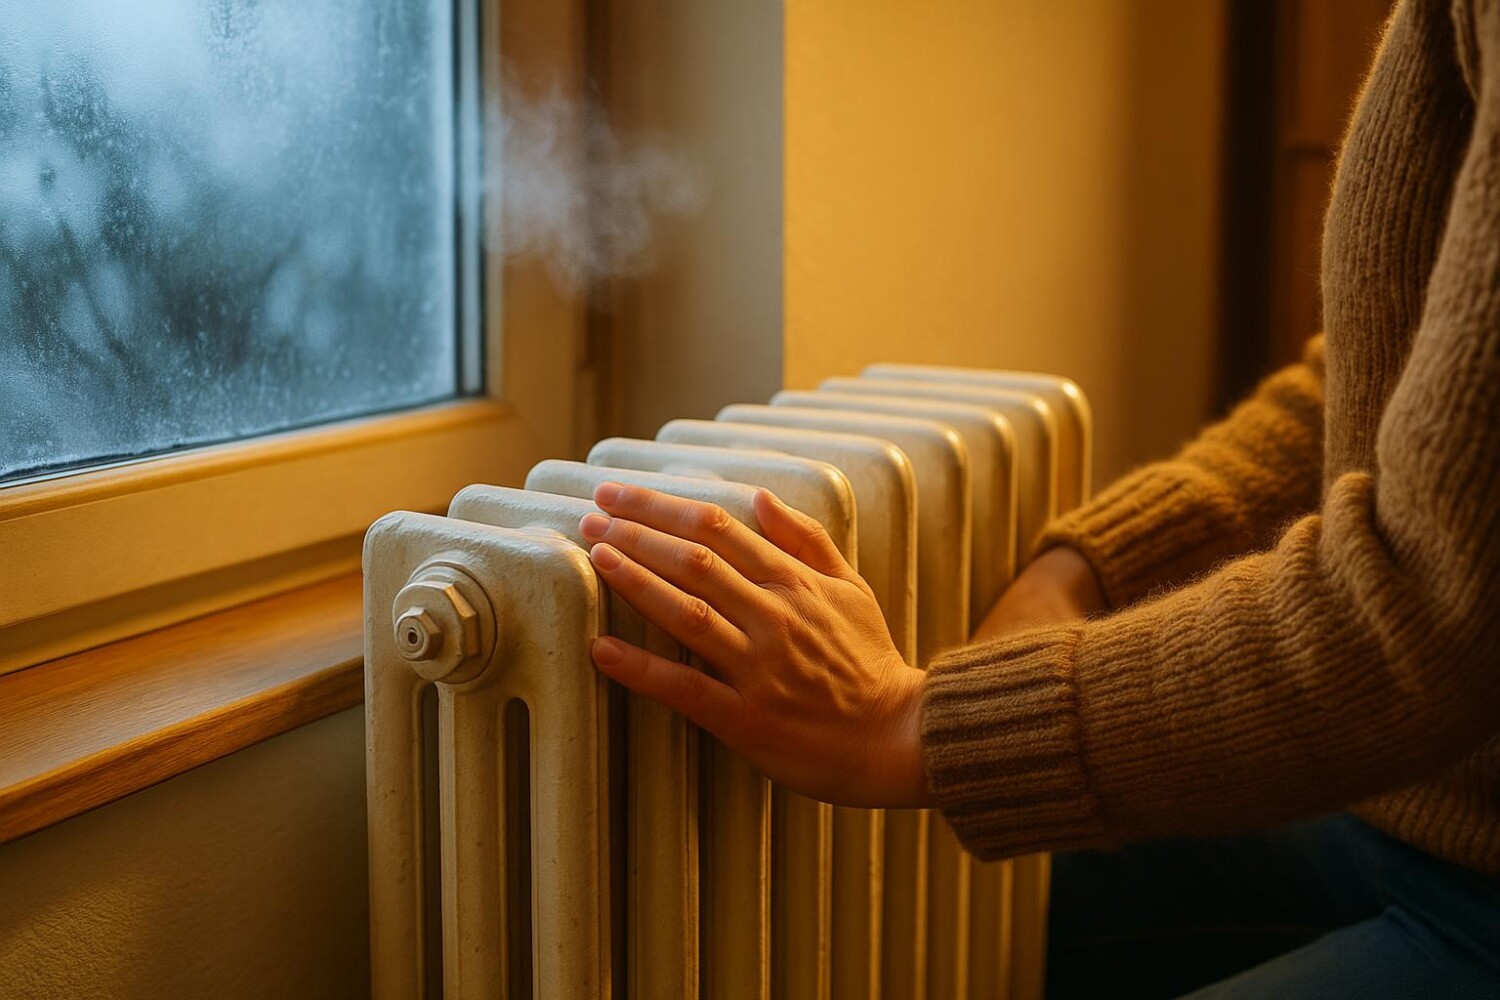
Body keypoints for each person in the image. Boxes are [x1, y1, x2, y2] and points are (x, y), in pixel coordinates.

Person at [574, 0, 1500, 994]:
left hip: (1472, 878)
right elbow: (1373, 384)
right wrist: (1090, 567)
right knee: (1035, 910)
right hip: (1414, 808)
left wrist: (911, 725)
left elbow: (1437, 603)